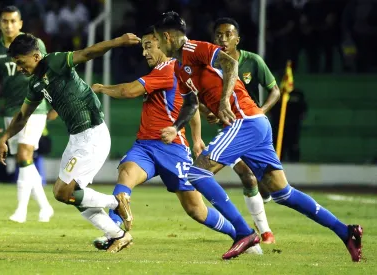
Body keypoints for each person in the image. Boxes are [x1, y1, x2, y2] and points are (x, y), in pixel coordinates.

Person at [155, 11, 363, 262]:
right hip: (254, 123)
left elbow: (231, 64)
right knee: (282, 193)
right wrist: (178, 126)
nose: (156, 44)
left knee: (197, 173)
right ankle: (346, 232)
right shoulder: (179, 67)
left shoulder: (195, 47)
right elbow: (191, 103)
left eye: (156, 39)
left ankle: (243, 232)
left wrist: (222, 103)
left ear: (166, 36)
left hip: (246, 121)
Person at [90, 26, 261, 254]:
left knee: (196, 209)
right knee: (125, 176)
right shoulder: (166, 71)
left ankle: (240, 234)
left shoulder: (168, 69)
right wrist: (199, 136)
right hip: (145, 146)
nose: (144, 53)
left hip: (172, 149)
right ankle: (114, 232)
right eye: (143, 48)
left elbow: (129, 91)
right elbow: (190, 106)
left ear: (161, 43)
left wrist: (101, 88)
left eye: (148, 46)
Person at [0, 32, 141, 253]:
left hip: (92, 133)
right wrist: (5, 137)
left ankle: (116, 202)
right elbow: (22, 116)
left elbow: (88, 53)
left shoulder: (54, 61)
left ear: (35, 56)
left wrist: (118, 42)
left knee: (63, 192)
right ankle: (117, 235)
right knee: (72, 195)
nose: (19, 68)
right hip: (77, 138)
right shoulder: (35, 84)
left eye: (20, 62)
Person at [211, 17, 281, 243]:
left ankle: (264, 198)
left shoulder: (253, 61)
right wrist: (211, 111)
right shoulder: (211, 66)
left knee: (268, 185)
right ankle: (265, 232)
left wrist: (260, 111)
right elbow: (198, 99)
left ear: (237, 39)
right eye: (219, 35)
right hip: (231, 130)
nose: (223, 38)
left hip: (253, 129)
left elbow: (275, 91)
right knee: (248, 177)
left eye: (228, 34)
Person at [0, 6, 54, 223]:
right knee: (24, 160)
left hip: (35, 107)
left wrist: (55, 103)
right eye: (5, 21)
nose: (9, 25)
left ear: (20, 23)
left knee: (24, 155)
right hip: (11, 110)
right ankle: (45, 207)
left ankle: (21, 211)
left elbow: (48, 72)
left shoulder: (34, 44)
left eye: (13, 21)